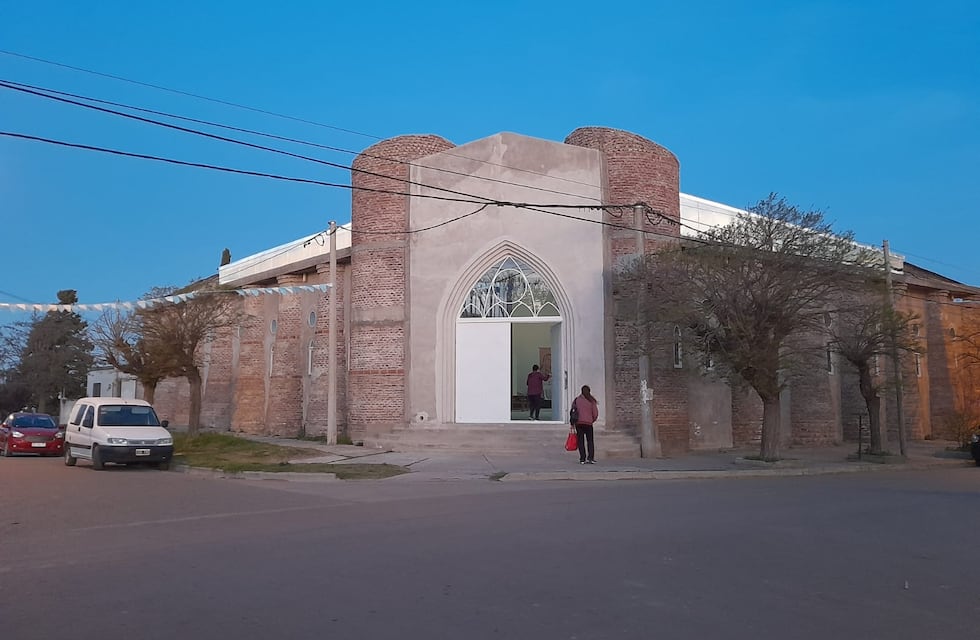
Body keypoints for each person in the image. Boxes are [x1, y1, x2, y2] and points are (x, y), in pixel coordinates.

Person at [572, 384, 599, 464]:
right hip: (588, 423)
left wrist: (573, 422)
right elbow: (595, 413)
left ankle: (582, 458)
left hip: (579, 423)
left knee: (581, 441)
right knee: (590, 441)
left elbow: (573, 410)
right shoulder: (591, 400)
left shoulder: (577, 400)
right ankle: (590, 457)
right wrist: (592, 420)